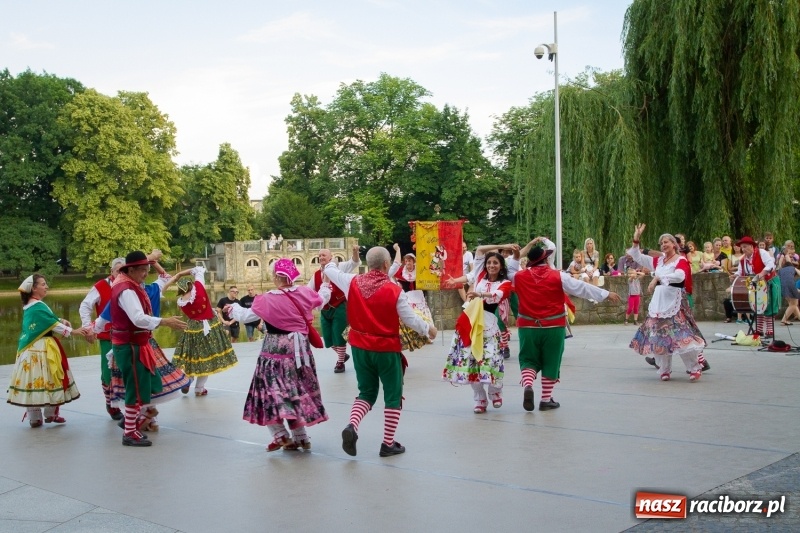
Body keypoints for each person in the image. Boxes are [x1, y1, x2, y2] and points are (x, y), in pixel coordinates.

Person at [324, 247, 437, 457]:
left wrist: (330, 259)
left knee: (366, 392)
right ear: (386, 264)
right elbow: (409, 319)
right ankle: (388, 443)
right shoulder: (394, 289)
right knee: (393, 395)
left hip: (359, 348)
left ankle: (352, 425)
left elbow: (330, 270)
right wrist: (428, 329)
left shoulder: (351, 281)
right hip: (386, 349)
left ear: (369, 264)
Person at [226, 259, 330, 452]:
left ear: (275, 276)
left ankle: (281, 435)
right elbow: (322, 300)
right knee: (294, 391)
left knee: (269, 391)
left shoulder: (267, 299)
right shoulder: (305, 292)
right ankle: (301, 437)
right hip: (300, 351)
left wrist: (232, 308)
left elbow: (247, 316)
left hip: (274, 351)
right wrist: (325, 284)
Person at [506, 238, 620, 411]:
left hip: (527, 327)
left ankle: (528, 384)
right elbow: (581, 287)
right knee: (551, 360)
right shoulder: (558, 276)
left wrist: (515, 257)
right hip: (553, 326)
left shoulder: (518, 277)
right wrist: (605, 294)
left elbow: (510, 270)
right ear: (546, 259)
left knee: (528, 358)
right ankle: (546, 399)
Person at [99, 251, 193, 432]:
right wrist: (165, 321)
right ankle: (133, 427)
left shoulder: (142, 288)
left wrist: (153, 261)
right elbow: (136, 318)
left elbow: (164, 278)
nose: (145, 274)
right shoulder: (127, 289)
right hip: (131, 344)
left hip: (140, 341)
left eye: (147, 270)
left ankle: (140, 421)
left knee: (145, 383)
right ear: (130, 270)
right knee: (136, 386)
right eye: (142, 270)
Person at [8, 274, 87, 427]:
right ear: (34, 288)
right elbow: (52, 324)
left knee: (32, 380)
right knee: (51, 377)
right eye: (43, 284)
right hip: (42, 348)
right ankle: (50, 414)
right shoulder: (38, 306)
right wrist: (73, 331)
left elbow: (48, 320)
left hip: (29, 349)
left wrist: (60, 320)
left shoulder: (31, 305)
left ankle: (35, 418)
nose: (46, 287)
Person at [628, 225, 705, 382]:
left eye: (666, 242)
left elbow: (680, 276)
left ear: (674, 244)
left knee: (681, 336)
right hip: (659, 302)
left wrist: (657, 278)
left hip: (674, 300)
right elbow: (637, 256)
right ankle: (664, 369)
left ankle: (694, 367)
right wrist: (636, 239)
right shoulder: (659, 261)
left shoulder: (681, 260)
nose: (663, 245)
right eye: (661, 243)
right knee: (660, 336)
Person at [443, 245, 513, 413]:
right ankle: (480, 399)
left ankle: (495, 391)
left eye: (495, 263)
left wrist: (479, 294)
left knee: (491, 360)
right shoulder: (480, 274)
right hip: (471, 321)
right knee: (472, 362)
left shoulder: (505, 283)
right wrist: (455, 281)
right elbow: (480, 250)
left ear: (501, 266)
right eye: (489, 262)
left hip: (488, 324)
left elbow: (497, 295)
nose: (491, 265)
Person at [172, 266, 239, 396]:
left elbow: (198, 311)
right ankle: (199, 388)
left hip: (192, 330)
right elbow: (199, 269)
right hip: (208, 328)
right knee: (206, 358)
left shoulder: (181, 302)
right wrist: (180, 273)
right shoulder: (199, 288)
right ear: (191, 284)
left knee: (193, 357)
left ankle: (188, 379)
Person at [79, 257, 125, 420]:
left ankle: (130, 405)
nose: (121, 273)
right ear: (111, 271)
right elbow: (85, 306)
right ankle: (110, 404)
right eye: (118, 270)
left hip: (127, 335)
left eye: (124, 270)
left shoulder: (131, 285)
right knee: (108, 371)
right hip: (108, 336)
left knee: (128, 369)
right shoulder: (101, 286)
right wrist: (88, 328)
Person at [308, 245, 361, 373]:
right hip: (325, 309)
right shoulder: (316, 275)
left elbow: (354, 262)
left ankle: (340, 362)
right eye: (319, 255)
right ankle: (342, 355)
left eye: (324, 255)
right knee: (327, 338)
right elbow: (308, 291)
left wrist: (355, 252)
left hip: (340, 306)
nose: (321, 257)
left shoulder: (339, 267)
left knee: (338, 335)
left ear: (330, 257)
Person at [734, 235, 781, 337]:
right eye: (742, 247)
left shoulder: (761, 252)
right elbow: (740, 272)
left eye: (745, 246)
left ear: (751, 246)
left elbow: (771, 264)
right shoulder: (743, 260)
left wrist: (761, 273)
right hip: (757, 285)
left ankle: (770, 330)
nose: (743, 249)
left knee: (769, 306)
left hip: (770, 281)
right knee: (758, 306)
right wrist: (735, 276)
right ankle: (759, 330)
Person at [777, 241, 800, 326]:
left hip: (782, 286)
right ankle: (784, 320)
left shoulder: (780, 270)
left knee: (792, 304)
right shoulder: (792, 267)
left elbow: (780, 262)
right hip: (790, 285)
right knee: (794, 304)